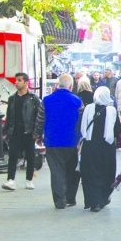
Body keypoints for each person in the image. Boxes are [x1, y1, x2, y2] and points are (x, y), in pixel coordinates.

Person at [34, 73, 82, 209]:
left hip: (52, 140)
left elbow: (40, 119)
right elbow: (82, 121)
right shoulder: (77, 100)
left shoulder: (47, 100)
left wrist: (38, 135)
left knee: (56, 171)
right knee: (71, 170)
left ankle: (59, 201)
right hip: (72, 141)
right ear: (71, 86)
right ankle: (71, 198)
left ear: (57, 85)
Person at [79, 87, 121, 212]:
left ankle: (93, 200)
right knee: (106, 173)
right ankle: (102, 198)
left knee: (90, 173)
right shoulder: (111, 111)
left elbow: (80, 126)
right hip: (106, 148)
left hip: (89, 147)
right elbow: (117, 130)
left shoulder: (88, 108)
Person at [2, 72, 40, 191]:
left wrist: (37, 132)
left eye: (19, 80)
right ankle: (10, 180)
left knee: (30, 155)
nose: (16, 82)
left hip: (28, 131)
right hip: (15, 131)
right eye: (16, 80)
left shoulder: (33, 98)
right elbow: (9, 116)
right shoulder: (12, 98)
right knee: (12, 155)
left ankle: (29, 180)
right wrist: (5, 131)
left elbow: (38, 116)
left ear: (26, 82)